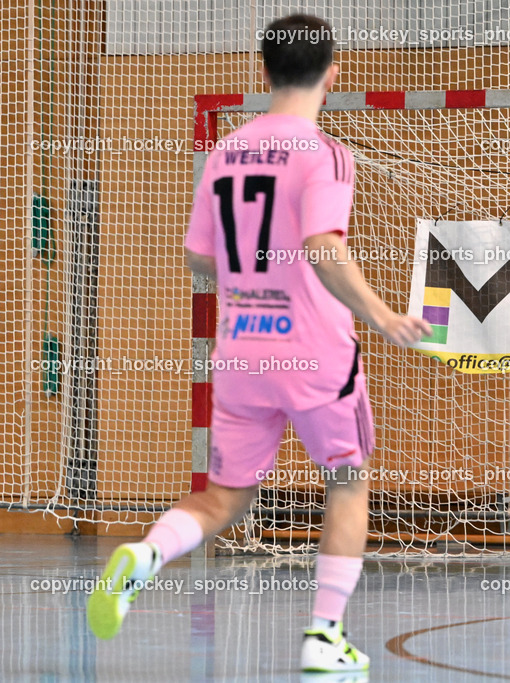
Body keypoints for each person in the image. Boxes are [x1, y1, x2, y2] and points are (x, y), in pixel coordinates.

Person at [87, 14, 431, 674]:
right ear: (333, 73)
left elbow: (198, 256)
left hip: (242, 349)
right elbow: (323, 246)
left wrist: (254, 271)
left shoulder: (225, 151)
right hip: (315, 352)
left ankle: (147, 553)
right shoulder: (325, 153)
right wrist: (383, 314)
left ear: (264, 69)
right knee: (348, 479)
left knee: (223, 498)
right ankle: (324, 636)